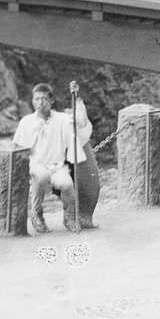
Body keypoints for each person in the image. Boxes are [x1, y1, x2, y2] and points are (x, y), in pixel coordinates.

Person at [12, 83, 87, 233]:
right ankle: (36, 214)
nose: (40, 103)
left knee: (67, 184)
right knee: (41, 176)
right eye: (37, 99)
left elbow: (81, 122)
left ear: (51, 101)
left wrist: (77, 97)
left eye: (44, 99)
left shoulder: (62, 118)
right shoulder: (26, 122)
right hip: (37, 164)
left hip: (57, 165)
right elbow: (17, 146)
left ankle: (69, 217)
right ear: (32, 101)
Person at [60, 80, 100, 229]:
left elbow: (82, 121)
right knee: (67, 184)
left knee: (90, 184)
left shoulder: (79, 105)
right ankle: (70, 217)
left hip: (81, 145)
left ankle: (84, 217)